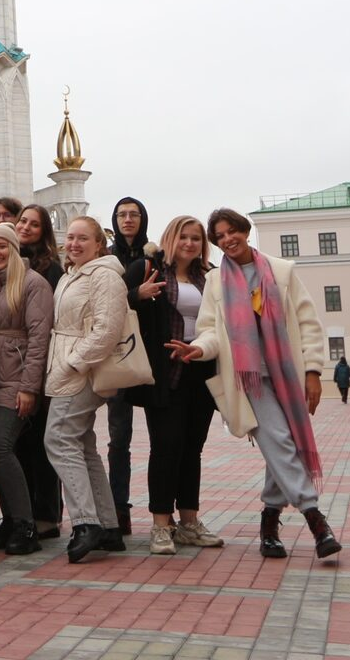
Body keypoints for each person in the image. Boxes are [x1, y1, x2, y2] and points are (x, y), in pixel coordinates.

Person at [166, 208, 340, 560]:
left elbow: (308, 322)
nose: (228, 240)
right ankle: (315, 518)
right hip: (249, 379)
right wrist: (198, 348)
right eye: (220, 236)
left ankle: (269, 522)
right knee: (278, 439)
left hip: (287, 374)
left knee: (283, 445)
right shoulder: (216, 282)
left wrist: (313, 372)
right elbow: (211, 331)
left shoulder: (281, 271)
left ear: (245, 231)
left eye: (233, 232)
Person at [123, 215, 223, 556]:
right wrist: (139, 292)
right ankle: (161, 526)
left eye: (196, 238)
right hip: (165, 372)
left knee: (192, 447)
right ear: (171, 238)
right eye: (184, 237)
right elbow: (118, 304)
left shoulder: (209, 276)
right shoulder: (149, 268)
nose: (190, 243)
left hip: (202, 368)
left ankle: (190, 522)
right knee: (166, 446)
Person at [43, 216, 129, 564]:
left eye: (83, 239)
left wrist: (74, 362)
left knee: (58, 439)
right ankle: (107, 526)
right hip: (68, 368)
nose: (74, 244)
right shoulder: (71, 275)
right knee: (82, 445)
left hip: (80, 371)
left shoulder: (104, 276)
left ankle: (85, 522)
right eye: (71, 238)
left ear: (99, 244)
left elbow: (108, 329)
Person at [0, 222, 52, 556]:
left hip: (17, 380)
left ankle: (25, 524)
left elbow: (38, 339)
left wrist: (29, 387)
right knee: (0, 451)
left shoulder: (33, 284)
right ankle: (11, 519)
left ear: (14, 249)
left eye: (2, 246)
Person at [103, 195, 150, 537]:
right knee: (119, 438)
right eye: (122, 215)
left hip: (153, 353)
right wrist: (136, 295)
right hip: (119, 353)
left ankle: (167, 508)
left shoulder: (156, 254)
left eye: (134, 214)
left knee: (164, 437)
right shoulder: (106, 258)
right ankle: (119, 509)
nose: (128, 220)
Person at [15, 204, 64, 287]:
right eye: (23, 221)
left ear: (44, 231)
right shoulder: (5, 258)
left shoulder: (51, 268)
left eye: (35, 225)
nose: (26, 227)